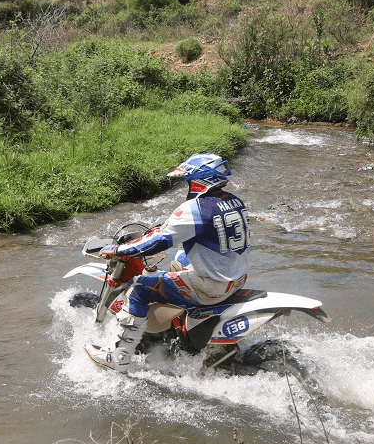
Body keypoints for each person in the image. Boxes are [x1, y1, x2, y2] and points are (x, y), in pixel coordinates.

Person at [86, 151, 251, 371]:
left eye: (189, 181)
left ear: (200, 181)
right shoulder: (234, 201)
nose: (188, 186)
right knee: (179, 258)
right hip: (235, 278)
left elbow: (157, 242)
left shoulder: (195, 208)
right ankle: (180, 333)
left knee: (138, 288)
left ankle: (119, 358)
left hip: (211, 286)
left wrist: (116, 249)